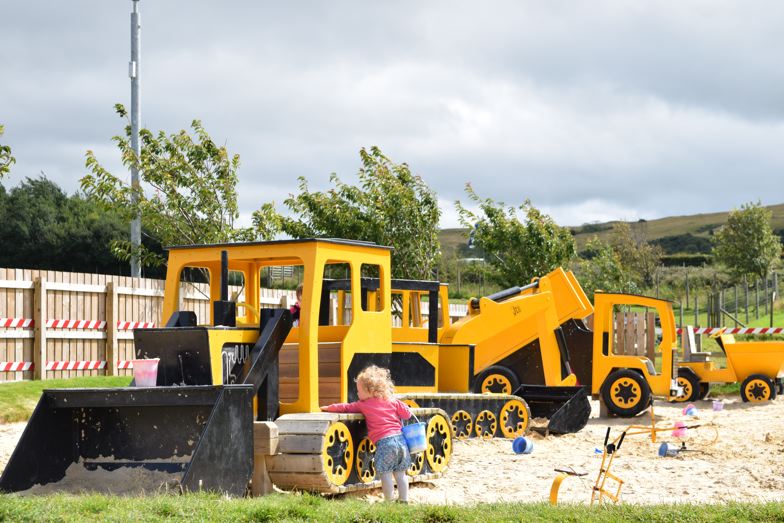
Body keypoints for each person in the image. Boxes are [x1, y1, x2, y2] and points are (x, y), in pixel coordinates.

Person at [321, 365, 412, 503]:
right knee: (400, 474)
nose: (357, 394)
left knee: (385, 473)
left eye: (358, 390)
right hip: (401, 441)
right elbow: (407, 415)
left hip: (385, 443)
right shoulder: (392, 401)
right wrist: (399, 404)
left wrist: (328, 408)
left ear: (370, 391)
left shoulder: (364, 404)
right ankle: (404, 500)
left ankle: (389, 501)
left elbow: (346, 407)